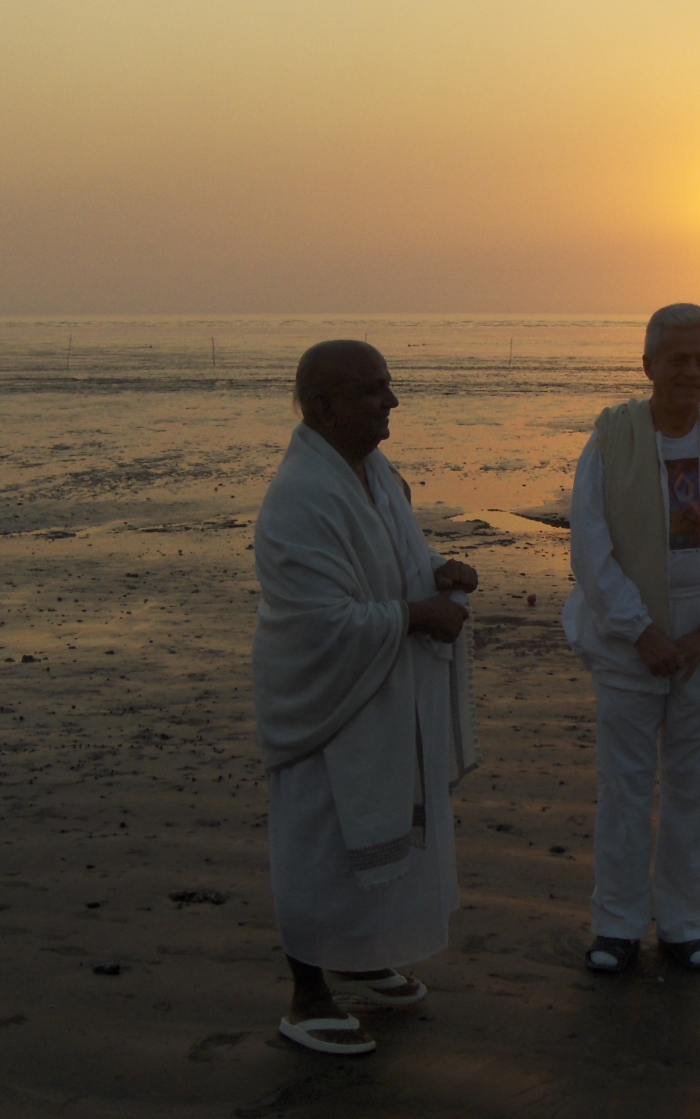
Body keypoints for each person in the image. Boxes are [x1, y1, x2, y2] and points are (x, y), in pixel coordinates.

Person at [252, 340, 480, 1054]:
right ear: (324, 407)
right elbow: (320, 621)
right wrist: (415, 615)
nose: (392, 401)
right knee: (319, 841)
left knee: (380, 826)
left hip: (378, 689)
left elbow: (388, 558)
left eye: (390, 385)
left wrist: (435, 570)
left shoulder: (375, 473)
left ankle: (360, 957)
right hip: (322, 700)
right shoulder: (300, 497)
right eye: (374, 390)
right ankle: (307, 996)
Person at [562, 303, 700, 973]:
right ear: (648, 365)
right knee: (624, 788)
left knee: (696, 790)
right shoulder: (612, 440)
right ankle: (616, 926)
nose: (691, 371)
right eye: (678, 358)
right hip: (627, 643)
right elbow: (590, 546)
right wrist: (640, 631)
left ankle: (686, 925)